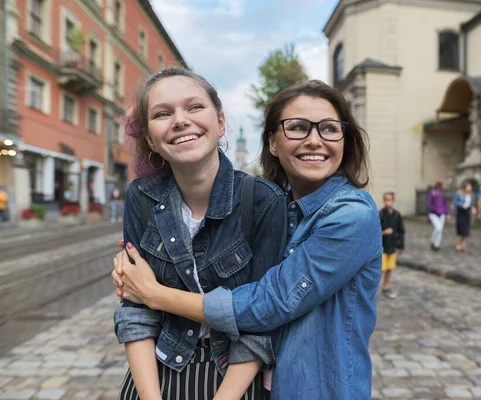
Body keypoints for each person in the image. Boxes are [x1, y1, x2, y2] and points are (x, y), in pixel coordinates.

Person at [113, 80, 382, 399]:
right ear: (272, 143)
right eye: (297, 127)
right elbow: (135, 313)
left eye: (328, 128)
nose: (314, 140)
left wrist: (153, 293)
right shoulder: (283, 205)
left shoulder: (350, 215)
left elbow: (269, 303)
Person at [113, 67, 287, 400]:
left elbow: (262, 321)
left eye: (194, 107)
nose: (180, 120)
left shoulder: (263, 200)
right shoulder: (140, 197)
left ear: (220, 122)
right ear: (150, 137)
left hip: (234, 379)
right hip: (157, 372)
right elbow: (135, 309)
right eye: (163, 113)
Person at [379, 191, 405, 298]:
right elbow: (373, 231)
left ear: (393, 201)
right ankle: (371, 290)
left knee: (390, 268)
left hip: (392, 246)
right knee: (380, 269)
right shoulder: (380, 214)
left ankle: (386, 287)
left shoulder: (397, 215)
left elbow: (401, 230)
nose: (387, 202)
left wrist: (401, 245)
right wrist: (383, 232)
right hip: (382, 247)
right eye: (386, 200)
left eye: (389, 200)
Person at [427, 180, 450, 251]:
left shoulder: (443, 194)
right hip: (433, 214)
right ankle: (432, 240)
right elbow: (429, 204)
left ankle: (436, 244)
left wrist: (447, 213)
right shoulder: (432, 193)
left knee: (440, 230)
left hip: (442, 214)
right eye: (443, 185)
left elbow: (445, 204)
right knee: (438, 228)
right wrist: (435, 209)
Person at [453, 182, 475, 252]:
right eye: (468, 187)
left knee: (466, 230)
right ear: (464, 187)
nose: (469, 188)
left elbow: (471, 204)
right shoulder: (459, 193)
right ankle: (460, 244)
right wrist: (462, 205)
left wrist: (473, 208)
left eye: (470, 187)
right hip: (461, 212)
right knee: (462, 229)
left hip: (467, 212)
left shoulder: (470, 195)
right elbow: (455, 202)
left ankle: (462, 245)